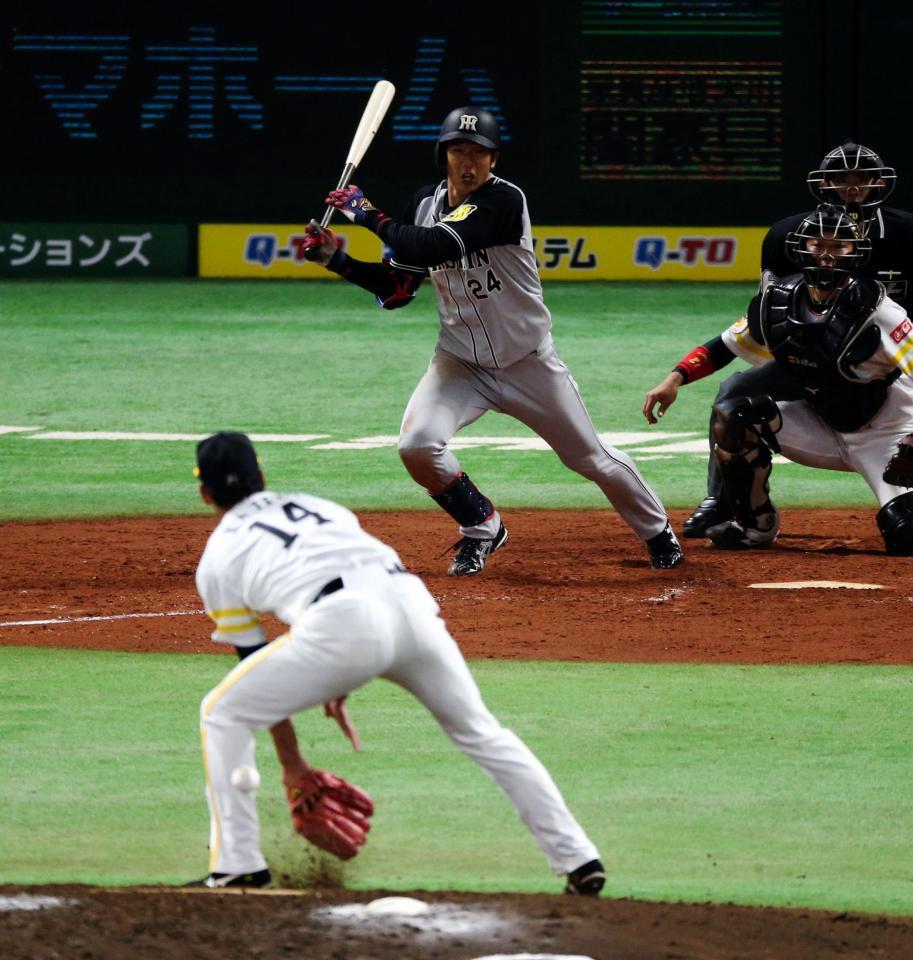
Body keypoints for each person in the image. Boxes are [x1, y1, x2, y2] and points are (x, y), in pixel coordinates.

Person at [189, 430, 606, 894]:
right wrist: (337, 674)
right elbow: (357, 583)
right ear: (261, 474)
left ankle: (238, 864)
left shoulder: (218, 558)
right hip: (410, 604)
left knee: (221, 712)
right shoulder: (317, 507)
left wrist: (294, 766)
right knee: (482, 732)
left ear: (205, 493)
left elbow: (256, 666)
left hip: (342, 624)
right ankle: (578, 857)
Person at [301, 106, 683, 574]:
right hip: (459, 364)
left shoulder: (504, 200)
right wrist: (336, 261)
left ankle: (658, 532)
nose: (468, 161)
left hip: (528, 363)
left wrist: (366, 214)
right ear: (444, 155)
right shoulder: (424, 204)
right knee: (416, 446)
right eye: (459, 150)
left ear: (493, 159)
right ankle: (482, 526)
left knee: (590, 458)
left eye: (479, 153)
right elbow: (398, 289)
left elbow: (434, 245)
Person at [643, 205, 913, 555]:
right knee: (734, 416)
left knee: (905, 535)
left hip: (887, 436)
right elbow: (725, 345)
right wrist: (675, 378)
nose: (827, 254)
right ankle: (756, 526)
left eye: (839, 246)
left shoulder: (880, 311)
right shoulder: (778, 301)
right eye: (818, 244)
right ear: (802, 249)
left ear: (855, 252)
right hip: (820, 426)